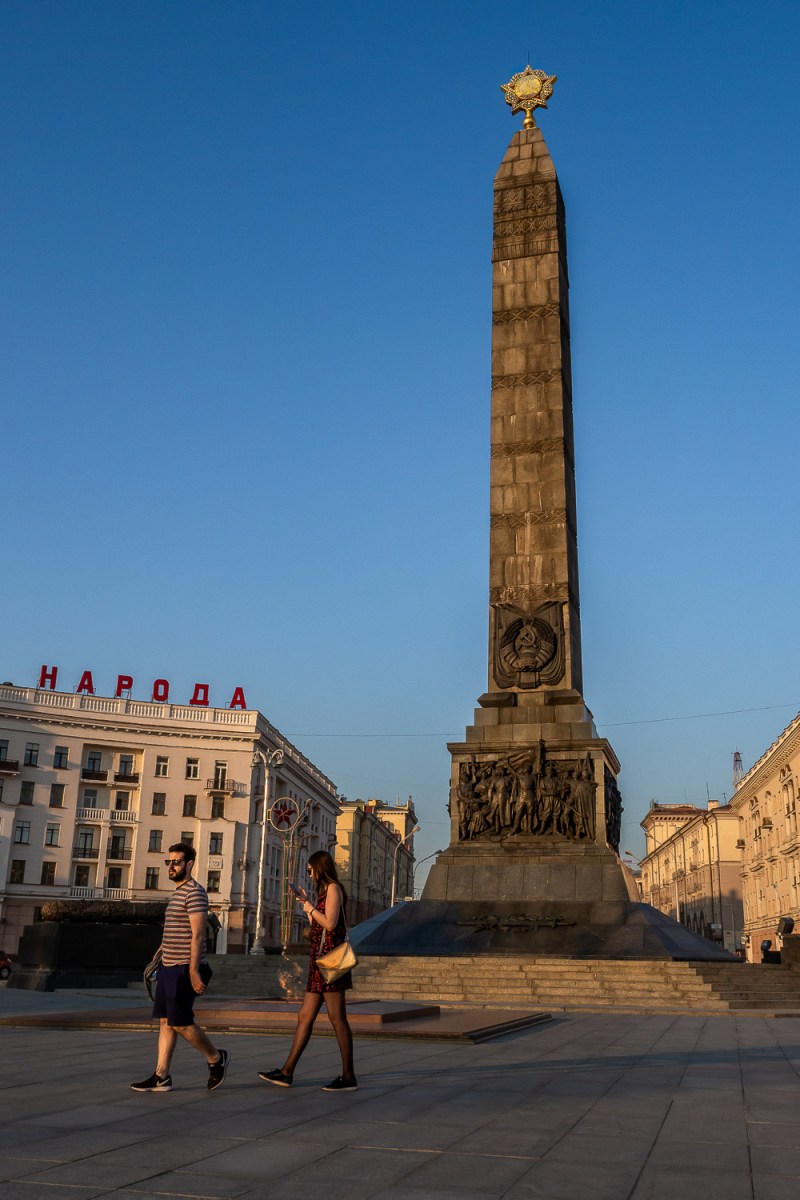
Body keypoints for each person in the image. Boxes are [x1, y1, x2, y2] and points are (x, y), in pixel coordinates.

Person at [131, 842, 229, 1093]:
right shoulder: (178, 892)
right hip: (169, 966)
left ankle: (216, 1058)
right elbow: (178, 930)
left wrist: (194, 971)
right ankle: (161, 1075)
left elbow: (198, 934)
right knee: (165, 1021)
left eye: (176, 862)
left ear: (189, 864)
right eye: (169, 862)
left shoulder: (195, 892)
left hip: (184, 968)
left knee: (181, 1023)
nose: (171, 866)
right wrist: (161, 953)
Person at [258, 850, 357, 1092]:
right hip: (318, 962)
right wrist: (306, 905)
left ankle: (348, 1076)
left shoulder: (333, 888)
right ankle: (286, 1072)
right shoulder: (324, 891)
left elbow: (331, 924)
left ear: (320, 868)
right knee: (305, 1015)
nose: (309, 873)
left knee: (337, 1019)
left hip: (330, 962)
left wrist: (311, 908)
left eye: (311, 869)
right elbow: (319, 926)